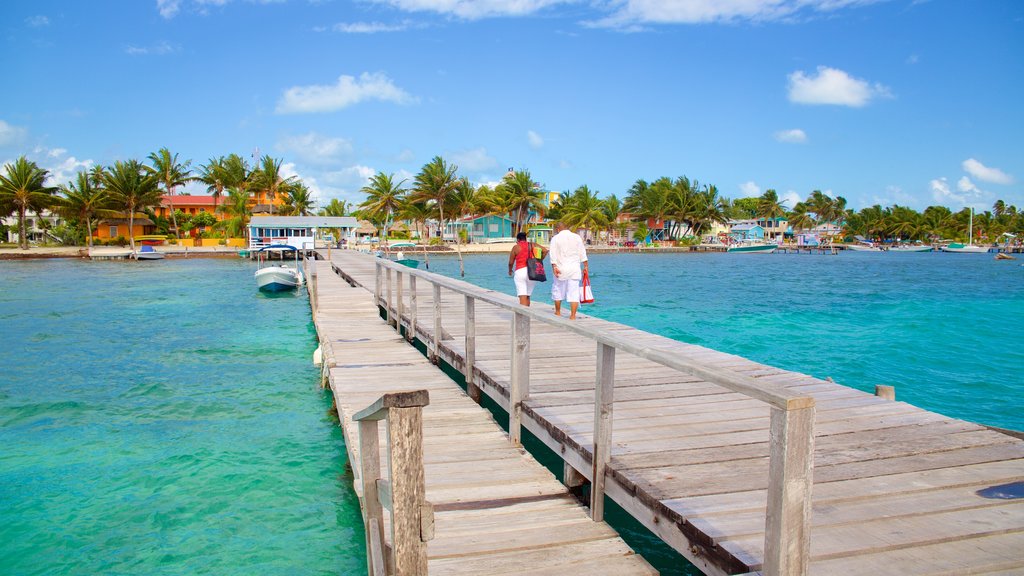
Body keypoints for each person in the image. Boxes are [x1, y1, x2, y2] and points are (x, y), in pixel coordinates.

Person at [548, 221, 588, 319]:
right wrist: (586, 267)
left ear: (558, 229)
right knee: (573, 293)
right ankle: (573, 316)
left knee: (558, 290)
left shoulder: (555, 238)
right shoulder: (577, 237)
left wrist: (554, 266)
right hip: (574, 269)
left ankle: (558, 312)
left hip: (561, 268)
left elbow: (552, 254)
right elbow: (582, 253)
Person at [508, 231, 547, 306]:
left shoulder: (516, 247)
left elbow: (511, 262)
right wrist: (540, 260)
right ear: (525, 238)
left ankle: (523, 317)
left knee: (522, 296)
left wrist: (510, 270)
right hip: (532, 271)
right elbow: (545, 251)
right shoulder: (533, 244)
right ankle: (527, 315)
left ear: (518, 240)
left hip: (520, 271)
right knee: (527, 296)